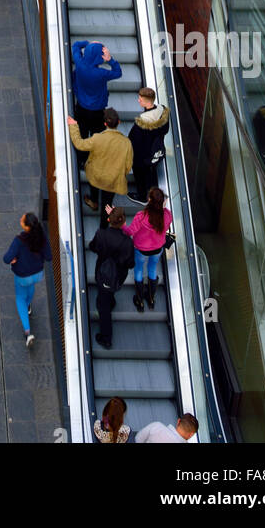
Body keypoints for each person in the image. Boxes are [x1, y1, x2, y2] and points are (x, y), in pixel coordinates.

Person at [68, 107, 133, 224]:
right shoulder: (126, 143)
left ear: (104, 124)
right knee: (107, 204)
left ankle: (93, 202)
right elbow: (128, 166)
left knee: (94, 182)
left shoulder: (97, 138)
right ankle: (104, 223)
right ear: (118, 122)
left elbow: (79, 144)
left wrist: (73, 126)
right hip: (112, 180)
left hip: (96, 175)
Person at [2, 212, 52, 347]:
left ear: (26, 227)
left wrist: (14, 259)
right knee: (29, 289)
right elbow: (48, 256)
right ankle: (28, 305)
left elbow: (6, 259)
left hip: (23, 276)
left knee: (20, 298)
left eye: (22, 219)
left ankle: (27, 332)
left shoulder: (19, 240)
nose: (20, 219)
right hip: (37, 274)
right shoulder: (41, 236)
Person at [120, 186, 172, 312]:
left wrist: (122, 225)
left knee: (138, 270)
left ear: (149, 200)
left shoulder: (141, 216)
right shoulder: (167, 215)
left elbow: (129, 232)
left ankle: (139, 301)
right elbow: (165, 228)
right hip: (157, 248)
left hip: (141, 249)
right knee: (152, 269)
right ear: (162, 202)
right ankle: (151, 298)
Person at [89, 207, 134, 350]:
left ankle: (106, 338)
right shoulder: (128, 242)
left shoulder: (101, 234)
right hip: (118, 277)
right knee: (109, 293)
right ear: (124, 222)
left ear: (109, 220)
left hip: (103, 274)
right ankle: (111, 300)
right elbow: (131, 264)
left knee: (103, 308)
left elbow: (93, 247)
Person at [71, 39, 122, 142]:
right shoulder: (102, 74)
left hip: (81, 107)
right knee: (98, 138)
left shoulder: (79, 63)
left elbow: (75, 45)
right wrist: (110, 59)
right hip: (98, 111)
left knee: (82, 135)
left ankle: (82, 156)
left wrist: (88, 44)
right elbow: (118, 73)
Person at [128, 87, 170, 203]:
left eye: (140, 99)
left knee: (139, 173)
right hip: (155, 151)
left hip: (143, 156)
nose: (138, 101)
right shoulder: (162, 111)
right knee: (150, 172)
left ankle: (142, 197)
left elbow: (133, 140)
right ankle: (154, 192)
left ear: (147, 101)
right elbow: (165, 130)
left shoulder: (143, 121)